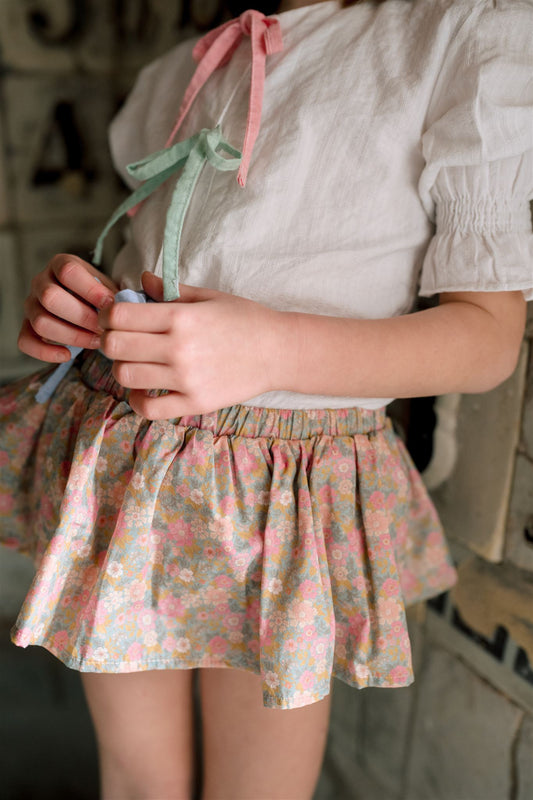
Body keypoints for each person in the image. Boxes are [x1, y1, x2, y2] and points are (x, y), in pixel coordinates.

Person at [2, 0, 532, 797]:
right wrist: (85, 306)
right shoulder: (179, 71)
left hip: (282, 497)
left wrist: (272, 349)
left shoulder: (458, 35)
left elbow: (486, 340)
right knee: (138, 777)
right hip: (128, 458)